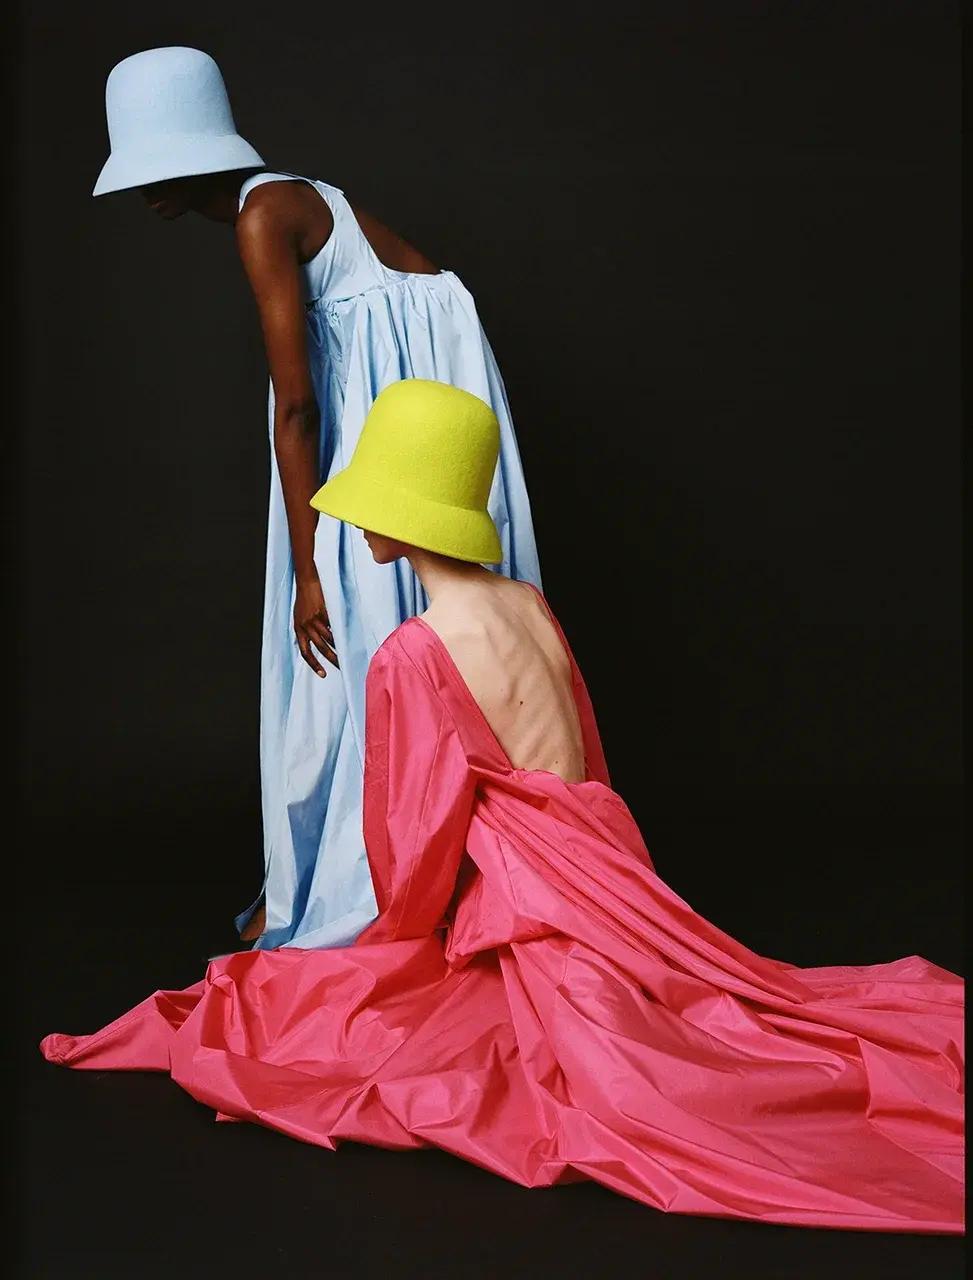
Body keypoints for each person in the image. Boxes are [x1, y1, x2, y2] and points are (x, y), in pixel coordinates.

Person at [42, 379, 964, 1234]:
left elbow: (417, 837)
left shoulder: (414, 652)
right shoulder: (528, 603)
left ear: (399, 513)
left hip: (539, 906)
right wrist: (609, 885)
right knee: (738, 1027)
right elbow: (588, 761)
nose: (359, 525)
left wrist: (403, 942)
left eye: (370, 503)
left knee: (561, 1071)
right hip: (610, 871)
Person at [93, 46, 541, 949]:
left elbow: (295, 405)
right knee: (368, 642)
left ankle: (389, 878)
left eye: (153, 165)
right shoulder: (283, 198)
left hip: (407, 409)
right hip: (392, 401)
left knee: (363, 624)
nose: (145, 192)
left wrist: (307, 569)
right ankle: (326, 874)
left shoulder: (263, 215)